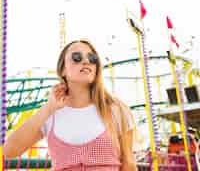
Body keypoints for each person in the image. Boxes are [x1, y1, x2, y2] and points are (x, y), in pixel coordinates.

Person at [3, 39, 138, 171]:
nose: (86, 61)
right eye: (77, 57)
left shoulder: (116, 109)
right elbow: (9, 150)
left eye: (92, 58)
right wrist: (48, 109)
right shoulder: (52, 113)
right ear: (63, 70)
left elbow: (129, 164)